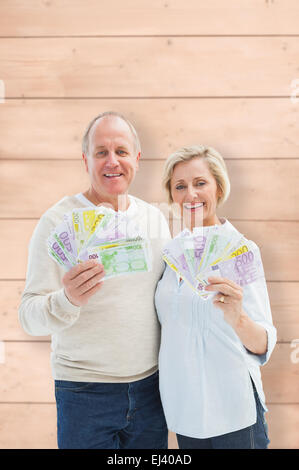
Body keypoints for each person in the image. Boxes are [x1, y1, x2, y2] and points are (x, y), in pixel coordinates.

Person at [19, 111, 171, 449]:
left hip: (151, 390)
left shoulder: (155, 219)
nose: (112, 161)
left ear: (137, 158)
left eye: (121, 151)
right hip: (83, 392)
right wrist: (68, 298)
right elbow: (28, 315)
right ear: (85, 160)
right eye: (101, 152)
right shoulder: (57, 222)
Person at [155, 145, 277, 449]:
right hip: (186, 411)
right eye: (180, 186)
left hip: (234, 411)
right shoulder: (169, 257)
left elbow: (262, 342)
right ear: (172, 195)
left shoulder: (242, 251)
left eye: (200, 183)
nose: (190, 194)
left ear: (218, 188)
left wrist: (238, 315)